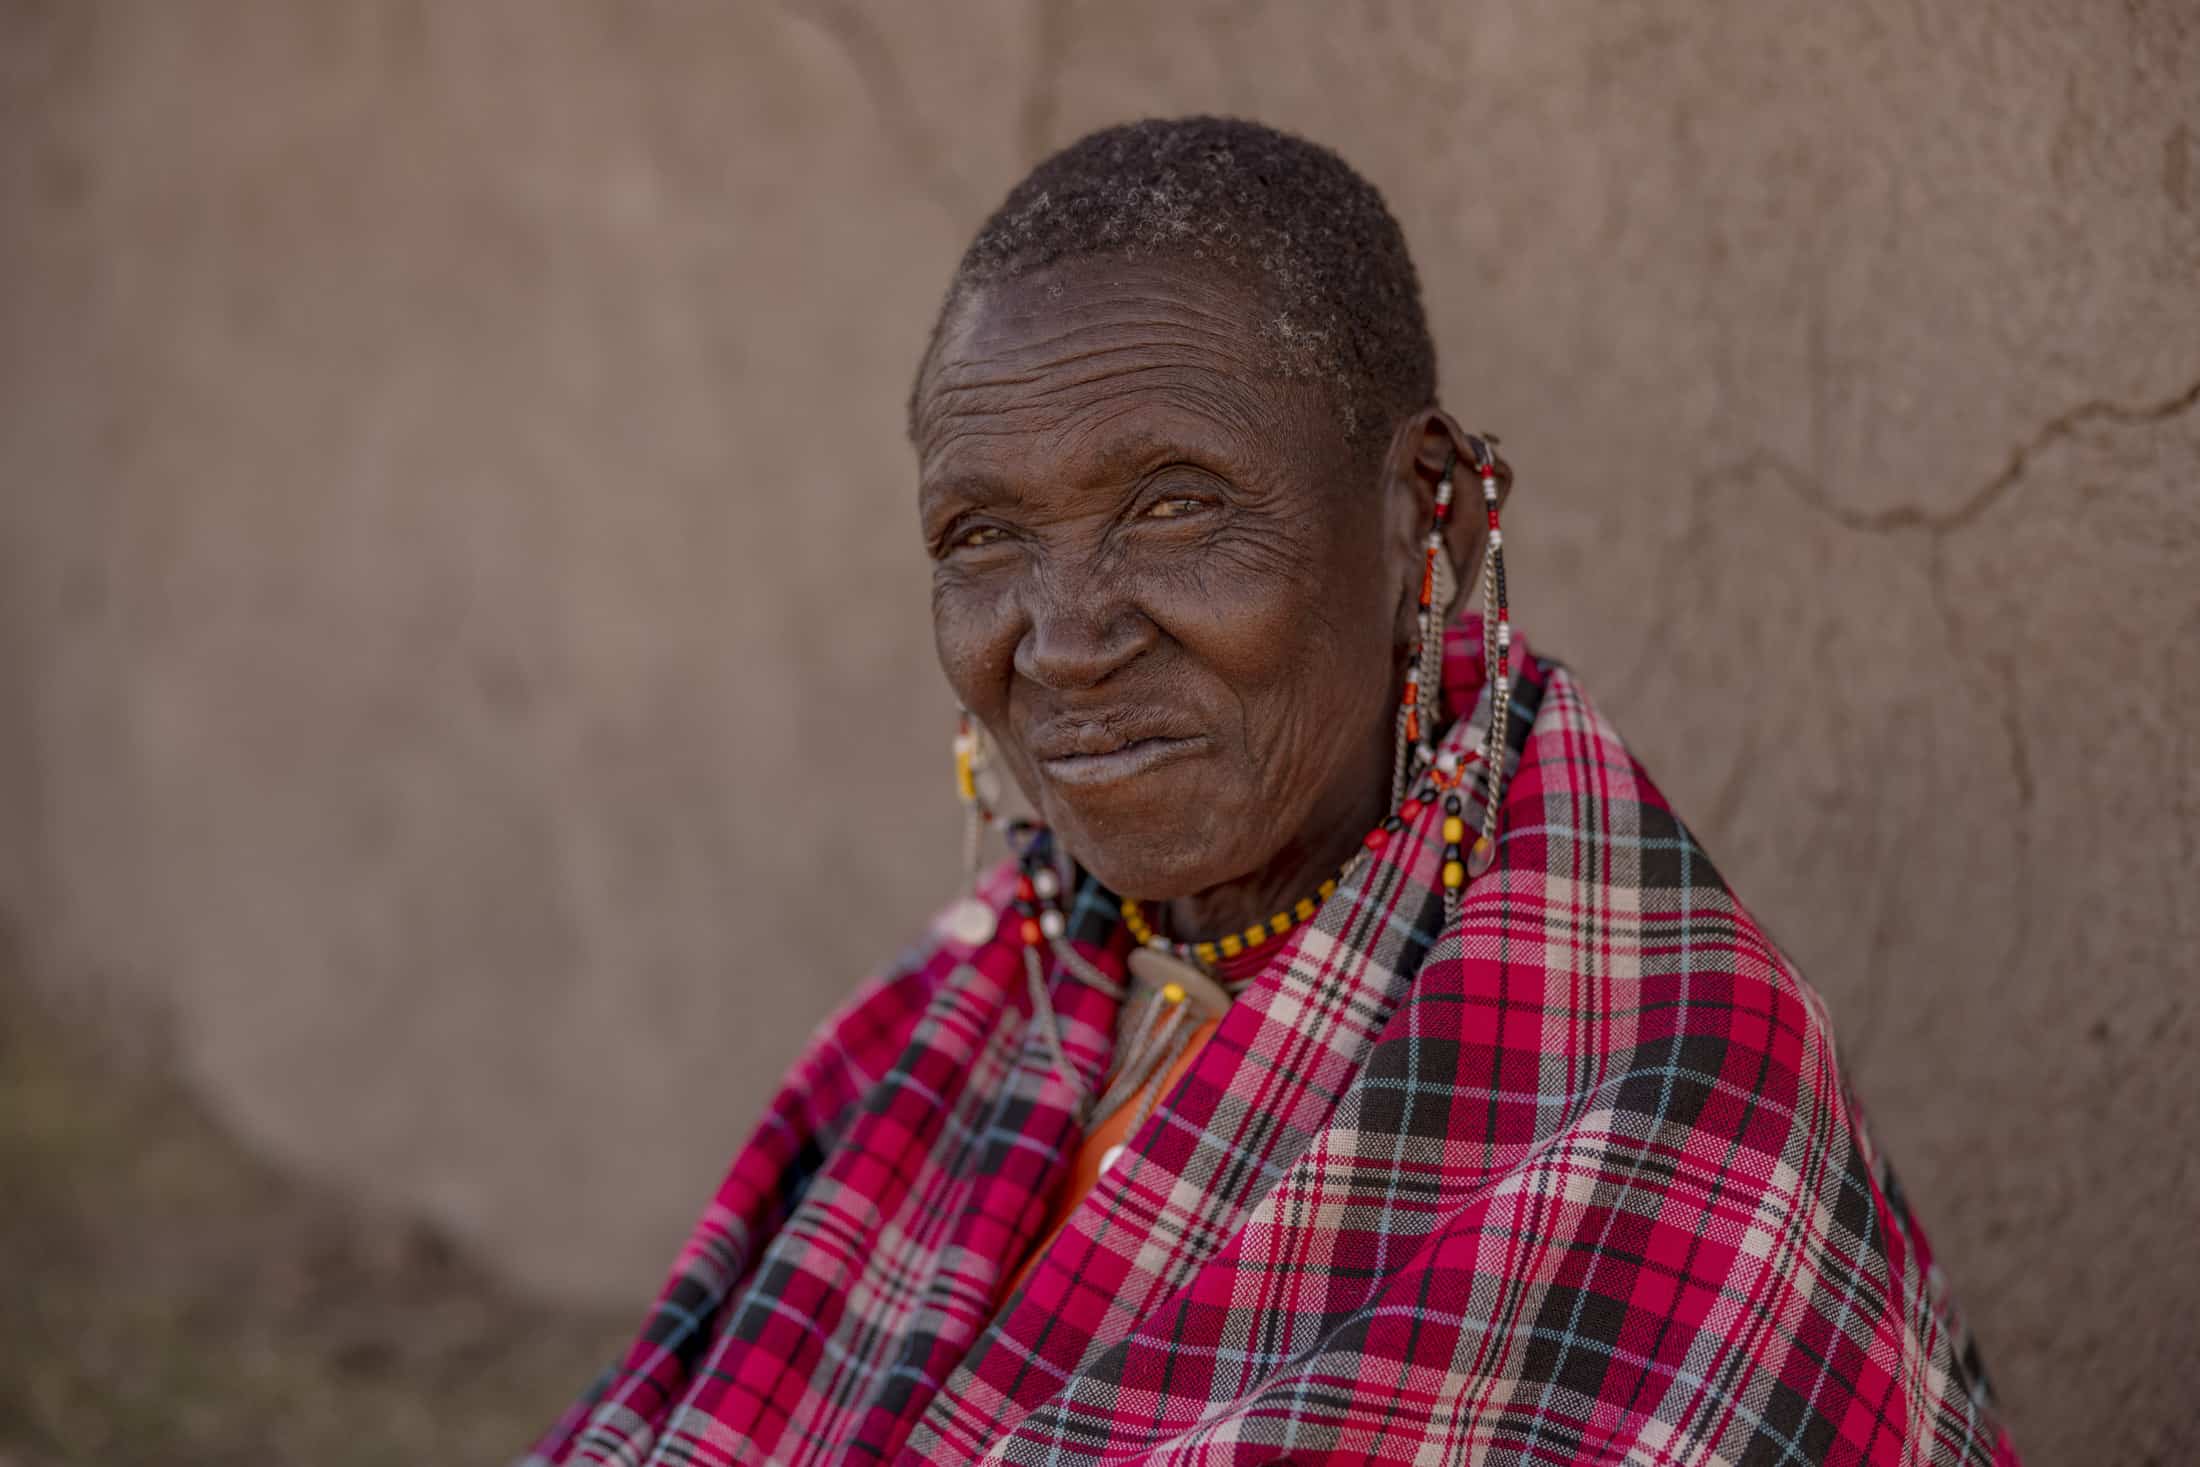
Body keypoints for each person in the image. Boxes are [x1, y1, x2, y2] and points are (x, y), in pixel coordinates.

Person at [527, 117, 2016, 1466]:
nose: (1063, 645)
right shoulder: (967, 1010)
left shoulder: (1655, 1087)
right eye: (981, 537)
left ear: (1432, 510)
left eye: (1173, 506)